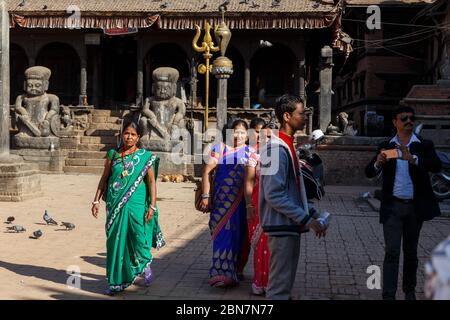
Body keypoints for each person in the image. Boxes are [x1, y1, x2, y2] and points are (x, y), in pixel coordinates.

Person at [365, 106, 441, 300]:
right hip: (392, 207)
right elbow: (369, 171)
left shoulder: (423, 145)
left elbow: (436, 165)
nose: (409, 121)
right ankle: (388, 294)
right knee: (391, 252)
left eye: (411, 118)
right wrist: (378, 163)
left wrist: (413, 158)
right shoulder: (386, 145)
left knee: (411, 252)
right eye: (404, 118)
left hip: (415, 208)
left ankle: (409, 291)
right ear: (395, 122)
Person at [259, 94, 325, 300]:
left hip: (288, 226)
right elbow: (274, 194)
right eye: (301, 113)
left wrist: (310, 211)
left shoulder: (288, 147)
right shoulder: (275, 149)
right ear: (287, 116)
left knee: (284, 287)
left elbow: (292, 189)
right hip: (281, 227)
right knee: (278, 289)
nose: (305, 117)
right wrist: (306, 219)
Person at [91, 121, 166, 295]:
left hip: (137, 203)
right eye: (126, 133)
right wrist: (95, 201)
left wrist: (152, 207)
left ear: (138, 137)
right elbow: (104, 178)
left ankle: (144, 264)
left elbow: (152, 183)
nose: (129, 137)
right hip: (114, 203)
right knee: (115, 242)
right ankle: (115, 282)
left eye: (133, 134)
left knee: (138, 237)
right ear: (121, 134)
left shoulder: (145, 157)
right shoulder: (113, 155)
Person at [199, 119, 252, 287]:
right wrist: (206, 196)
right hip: (221, 203)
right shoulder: (219, 148)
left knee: (238, 237)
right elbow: (207, 172)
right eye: (236, 131)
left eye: (243, 132)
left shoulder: (250, 152)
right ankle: (220, 273)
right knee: (222, 235)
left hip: (241, 204)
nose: (239, 135)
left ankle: (233, 272)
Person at [245, 121, 281, 296]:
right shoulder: (255, 154)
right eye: (265, 136)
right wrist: (249, 205)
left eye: (272, 136)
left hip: (278, 206)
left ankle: (274, 284)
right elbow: (249, 181)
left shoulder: (283, 155)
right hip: (258, 205)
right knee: (261, 244)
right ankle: (260, 282)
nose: (268, 139)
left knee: (276, 245)